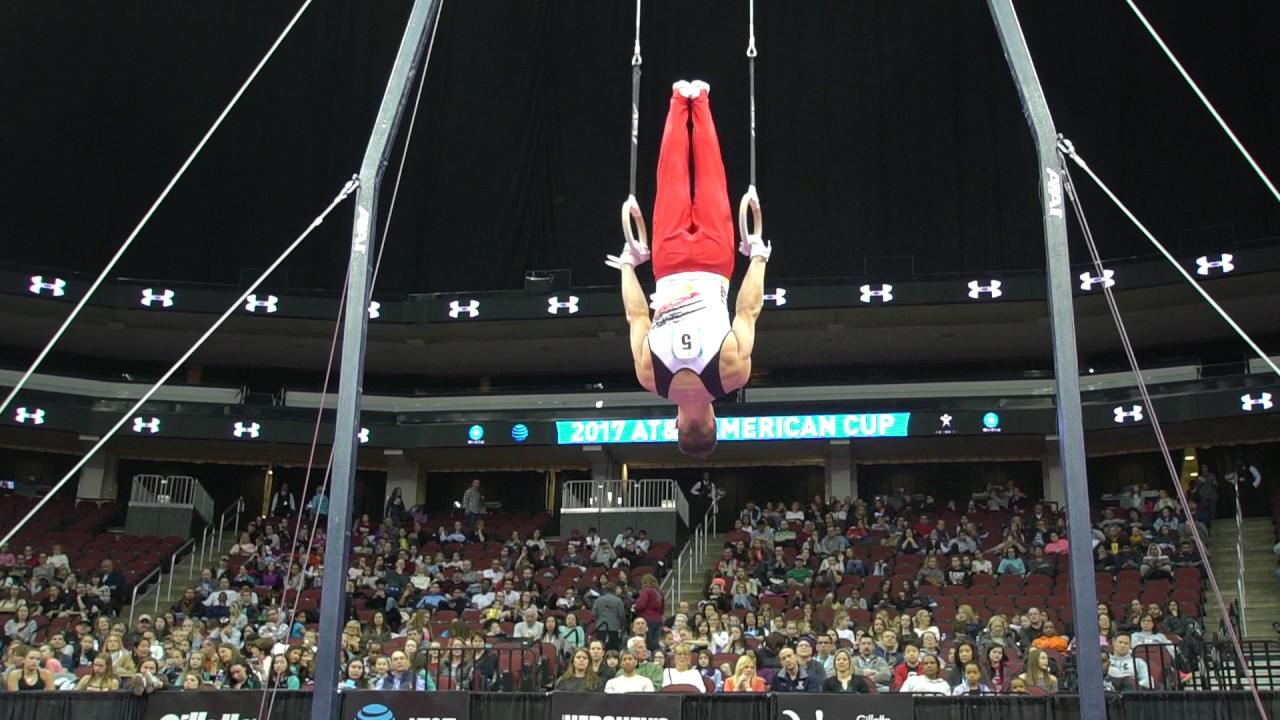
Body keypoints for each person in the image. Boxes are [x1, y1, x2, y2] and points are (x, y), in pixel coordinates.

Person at [610, 79, 772, 458]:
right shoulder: (650, 377)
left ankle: (699, 98)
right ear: (676, 425)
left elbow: (748, 311)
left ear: (714, 422)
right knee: (672, 179)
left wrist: (758, 257)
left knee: (712, 178)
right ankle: (677, 99)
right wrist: (627, 266)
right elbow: (636, 316)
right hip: (668, 266)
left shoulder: (732, 375)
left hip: (715, 265)